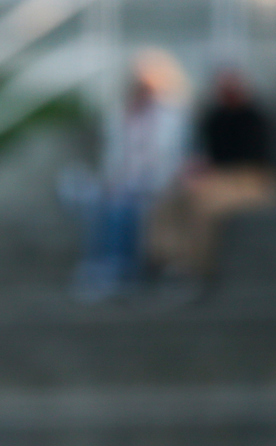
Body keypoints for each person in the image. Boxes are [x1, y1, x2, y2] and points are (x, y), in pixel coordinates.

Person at [65, 48, 193, 300]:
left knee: (128, 208)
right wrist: (114, 180)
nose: (144, 89)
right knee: (106, 204)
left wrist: (152, 181)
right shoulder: (121, 115)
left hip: (158, 183)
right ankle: (106, 268)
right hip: (124, 182)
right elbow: (114, 157)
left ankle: (125, 270)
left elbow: (176, 158)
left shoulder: (174, 117)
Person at [147, 69, 276, 291]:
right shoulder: (215, 118)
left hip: (252, 178)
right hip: (218, 177)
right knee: (170, 198)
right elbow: (207, 155)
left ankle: (197, 268)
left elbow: (258, 161)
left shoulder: (256, 117)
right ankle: (168, 260)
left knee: (203, 204)